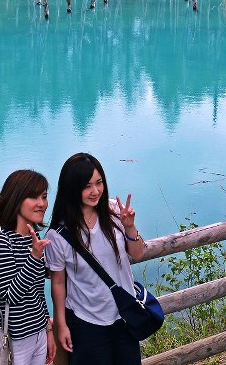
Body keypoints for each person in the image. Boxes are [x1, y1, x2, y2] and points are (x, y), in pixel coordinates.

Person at [45, 152, 146, 365]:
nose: (95, 191)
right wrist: (61, 324)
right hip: (85, 321)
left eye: (99, 183)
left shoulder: (115, 210)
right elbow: (58, 282)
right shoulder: (59, 234)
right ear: (72, 188)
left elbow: (138, 253)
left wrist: (129, 226)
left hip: (124, 316)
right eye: (87, 186)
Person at [0, 169, 57, 365]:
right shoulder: (1, 242)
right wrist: (34, 257)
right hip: (11, 337)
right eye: (33, 197)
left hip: (37, 333)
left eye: (44, 197)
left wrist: (47, 330)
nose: (41, 204)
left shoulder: (32, 239)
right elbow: (11, 295)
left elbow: (38, 292)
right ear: (15, 199)